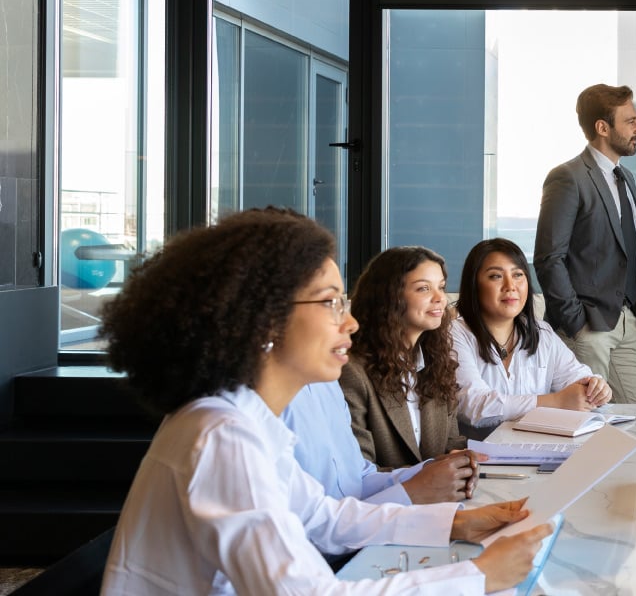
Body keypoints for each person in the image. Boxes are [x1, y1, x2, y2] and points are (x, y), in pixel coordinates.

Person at [98, 207, 551, 594]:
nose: (351, 322)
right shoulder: (221, 434)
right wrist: (477, 575)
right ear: (263, 320)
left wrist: (454, 524)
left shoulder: (243, 415)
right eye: (331, 302)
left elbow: (322, 516)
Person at [534, 83, 636, 404]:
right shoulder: (567, 177)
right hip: (587, 328)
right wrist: (576, 323)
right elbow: (548, 258)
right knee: (585, 422)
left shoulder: (625, 178)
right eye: (630, 121)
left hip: (628, 321)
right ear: (603, 127)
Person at [451, 238, 612, 427]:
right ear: (474, 285)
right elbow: (473, 406)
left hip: (539, 448)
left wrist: (596, 387)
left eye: (518, 275)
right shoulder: (454, 334)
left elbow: (577, 378)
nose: (510, 286)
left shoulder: (541, 332)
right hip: (477, 453)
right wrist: (556, 402)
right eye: (496, 276)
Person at [342, 246, 469, 471]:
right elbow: (358, 472)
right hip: (386, 502)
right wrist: (427, 478)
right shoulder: (353, 372)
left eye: (441, 287)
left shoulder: (438, 362)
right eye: (423, 289)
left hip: (440, 499)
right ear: (389, 297)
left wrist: (464, 461)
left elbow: (450, 444)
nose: (440, 298)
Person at [284, 381, 484, 505]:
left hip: (365, 532)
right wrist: (412, 493)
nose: (351, 323)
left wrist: (436, 471)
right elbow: (319, 524)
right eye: (334, 310)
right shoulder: (265, 407)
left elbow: (359, 478)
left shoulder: (327, 385)